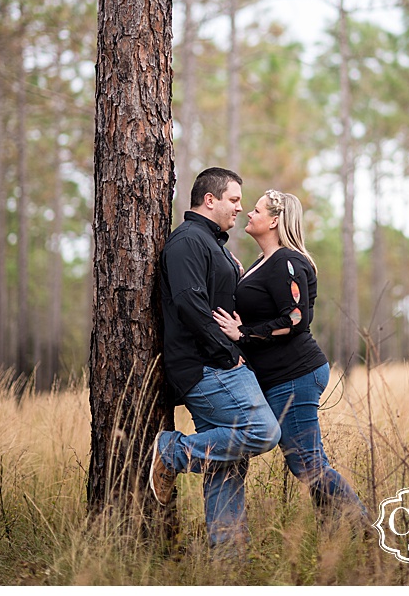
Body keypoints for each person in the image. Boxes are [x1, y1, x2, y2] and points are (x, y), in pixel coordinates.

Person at [213, 190, 370, 526]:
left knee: (308, 465)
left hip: (295, 375)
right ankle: (338, 535)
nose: (247, 214)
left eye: (255, 210)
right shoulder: (264, 263)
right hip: (282, 378)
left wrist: (244, 334)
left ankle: (367, 529)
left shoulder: (287, 262)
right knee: (310, 464)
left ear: (274, 220)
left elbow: (296, 319)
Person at [147, 167, 280, 551]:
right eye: (234, 200)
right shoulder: (188, 241)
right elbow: (190, 304)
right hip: (209, 365)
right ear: (210, 199)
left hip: (215, 362)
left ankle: (228, 558)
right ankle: (171, 452)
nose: (239, 208)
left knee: (228, 464)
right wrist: (228, 354)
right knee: (262, 432)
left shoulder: (210, 243)